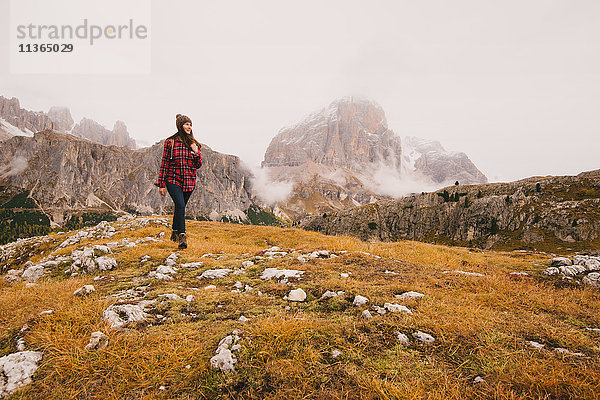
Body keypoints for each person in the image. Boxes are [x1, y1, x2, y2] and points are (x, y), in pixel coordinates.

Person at [155, 114, 202, 249]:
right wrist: (161, 184)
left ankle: (174, 234)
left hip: (189, 181)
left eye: (190, 124)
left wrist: (196, 152)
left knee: (180, 208)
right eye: (186, 124)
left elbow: (198, 165)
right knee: (180, 205)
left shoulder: (194, 144)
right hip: (173, 179)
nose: (189, 127)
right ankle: (182, 237)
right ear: (180, 126)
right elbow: (164, 163)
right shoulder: (170, 142)